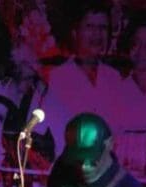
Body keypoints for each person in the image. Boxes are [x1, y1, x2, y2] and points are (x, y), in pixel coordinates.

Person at [41, 2, 124, 159]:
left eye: (103, 28)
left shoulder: (114, 77)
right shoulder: (57, 77)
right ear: (75, 32)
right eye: (90, 27)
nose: (97, 34)